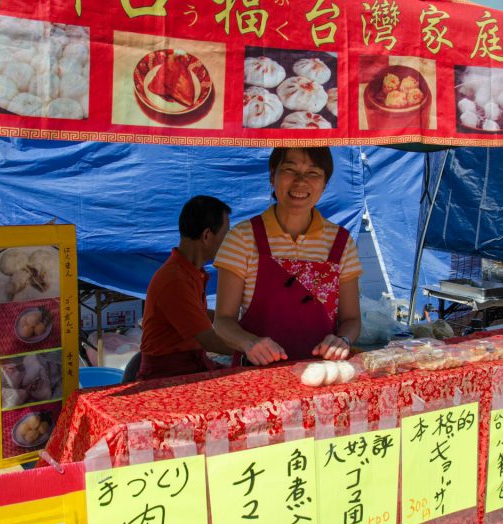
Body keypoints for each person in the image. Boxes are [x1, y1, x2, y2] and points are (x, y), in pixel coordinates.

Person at [214, 147, 362, 366]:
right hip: (256, 376)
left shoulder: (342, 242)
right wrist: (249, 343)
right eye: (290, 170)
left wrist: (342, 340)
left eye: (313, 173)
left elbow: (352, 319)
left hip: (320, 376)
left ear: (324, 184)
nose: (300, 182)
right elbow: (222, 321)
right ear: (272, 176)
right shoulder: (242, 238)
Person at [138, 195, 235, 379]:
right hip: (166, 377)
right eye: (226, 235)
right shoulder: (174, 280)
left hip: (189, 367)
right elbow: (210, 341)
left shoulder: (190, 272)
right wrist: (250, 345)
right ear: (207, 235)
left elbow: (197, 315)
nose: (228, 243)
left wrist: (238, 320)